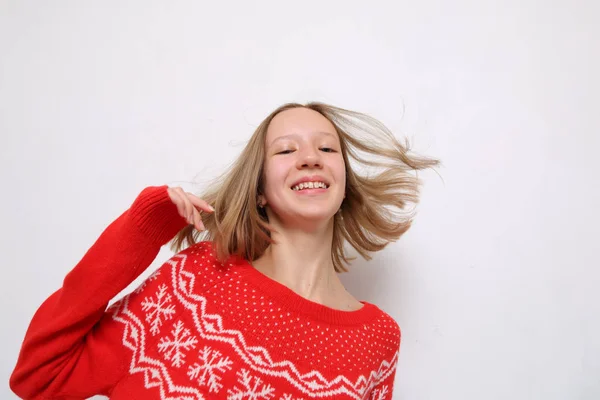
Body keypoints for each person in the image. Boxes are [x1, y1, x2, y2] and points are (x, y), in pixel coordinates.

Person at [10, 102, 439, 399]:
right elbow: (39, 376)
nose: (311, 158)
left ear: (343, 185)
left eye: (327, 149)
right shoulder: (195, 282)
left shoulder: (377, 339)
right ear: (259, 192)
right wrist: (142, 230)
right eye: (287, 150)